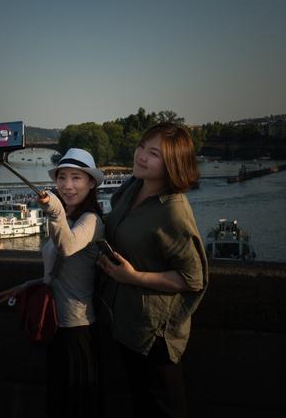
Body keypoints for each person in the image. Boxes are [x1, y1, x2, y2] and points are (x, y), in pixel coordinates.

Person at [97, 123, 208, 418]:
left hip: (154, 334)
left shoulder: (173, 211)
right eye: (142, 147)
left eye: (154, 153)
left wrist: (133, 277)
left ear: (172, 164)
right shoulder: (132, 187)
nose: (141, 156)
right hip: (126, 324)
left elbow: (192, 278)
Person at [0, 148, 105, 418]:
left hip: (77, 328)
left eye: (76, 178)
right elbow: (58, 272)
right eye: (62, 177)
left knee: (76, 404)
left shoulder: (91, 220)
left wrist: (54, 209)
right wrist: (28, 285)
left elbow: (67, 247)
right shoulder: (64, 218)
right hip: (56, 325)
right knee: (58, 402)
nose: (67, 186)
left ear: (91, 183)